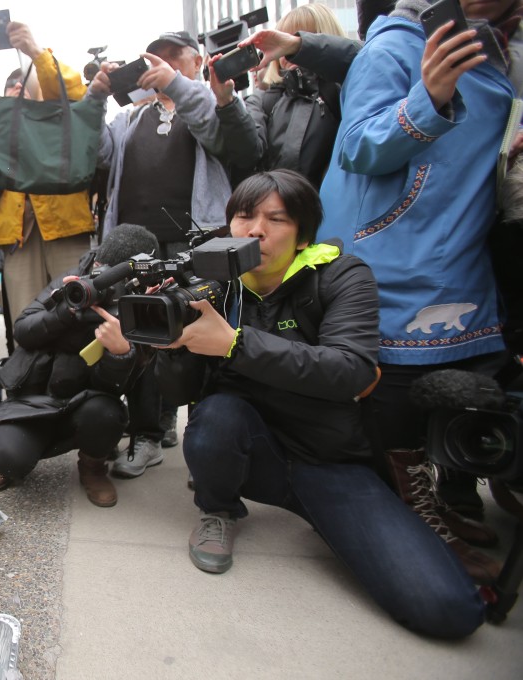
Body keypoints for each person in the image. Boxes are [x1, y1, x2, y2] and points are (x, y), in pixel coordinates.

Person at [159, 169, 484, 640]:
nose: (255, 231)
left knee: (448, 610)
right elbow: (182, 395)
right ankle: (219, 508)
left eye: (277, 219)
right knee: (216, 416)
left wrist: (235, 343)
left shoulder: (342, 275)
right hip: (252, 452)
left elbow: (350, 369)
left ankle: (326, 514)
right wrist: (163, 344)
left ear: (303, 232)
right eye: (244, 216)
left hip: (331, 462)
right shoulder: (216, 285)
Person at [315, 0, 518, 583]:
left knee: (472, 385)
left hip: (462, 252)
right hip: (398, 259)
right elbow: (356, 144)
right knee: (396, 401)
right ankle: (415, 513)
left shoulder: (492, 51)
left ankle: (450, 496)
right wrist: (426, 98)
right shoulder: (394, 47)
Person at [85, 30, 258, 474]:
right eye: (152, 59)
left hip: (193, 244)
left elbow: (225, 141)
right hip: (138, 246)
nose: (158, 65)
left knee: (196, 339)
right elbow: (97, 155)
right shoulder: (131, 117)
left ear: (196, 61)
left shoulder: (209, 102)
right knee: (142, 336)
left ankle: (204, 442)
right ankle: (149, 433)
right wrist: (96, 99)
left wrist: (176, 85)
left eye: (171, 57)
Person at [0, 224, 158, 507]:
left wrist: (119, 353)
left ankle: (92, 466)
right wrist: (65, 311)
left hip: (85, 403)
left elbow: (112, 388)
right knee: (8, 458)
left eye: (114, 277)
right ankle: (13, 454)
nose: (104, 281)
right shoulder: (72, 283)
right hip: (33, 400)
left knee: (106, 414)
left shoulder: (138, 310)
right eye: (101, 267)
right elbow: (23, 330)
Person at [0, 19, 95, 334]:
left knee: (82, 314)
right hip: (17, 239)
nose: (16, 89)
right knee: (28, 325)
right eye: (10, 88)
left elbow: (74, 92)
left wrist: (33, 51)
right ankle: (32, 383)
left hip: (67, 231)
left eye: (24, 85)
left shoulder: (58, 117)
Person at [230, 4, 359, 189]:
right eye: (281, 42)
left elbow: (366, 57)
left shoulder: (344, 89)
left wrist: (297, 46)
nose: (286, 51)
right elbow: (247, 152)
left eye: (297, 39)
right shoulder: (265, 99)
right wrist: (227, 102)